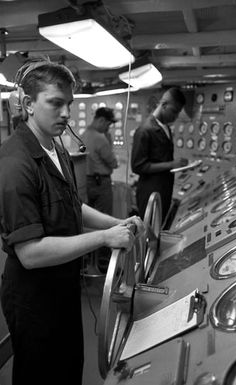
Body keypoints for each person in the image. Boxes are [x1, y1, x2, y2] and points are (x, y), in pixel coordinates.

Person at [0, 60, 144, 385]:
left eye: (69, 104)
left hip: (63, 286)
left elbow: (73, 206)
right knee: (41, 375)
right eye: (55, 103)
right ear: (27, 104)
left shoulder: (55, 147)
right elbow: (31, 252)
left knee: (67, 368)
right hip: (34, 296)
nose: (66, 113)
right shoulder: (14, 163)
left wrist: (118, 222)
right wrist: (104, 238)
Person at [131, 87, 188, 223]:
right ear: (164, 105)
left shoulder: (166, 127)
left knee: (160, 229)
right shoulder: (145, 130)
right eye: (174, 111)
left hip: (164, 190)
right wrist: (172, 164)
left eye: (178, 112)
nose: (175, 116)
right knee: (149, 236)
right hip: (150, 193)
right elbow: (137, 166)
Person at [81, 107, 119, 273]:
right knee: (105, 222)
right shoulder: (101, 138)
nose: (108, 129)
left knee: (87, 223)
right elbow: (114, 163)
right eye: (108, 125)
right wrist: (108, 139)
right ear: (102, 121)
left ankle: (88, 261)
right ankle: (104, 263)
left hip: (85, 182)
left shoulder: (83, 134)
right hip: (101, 183)